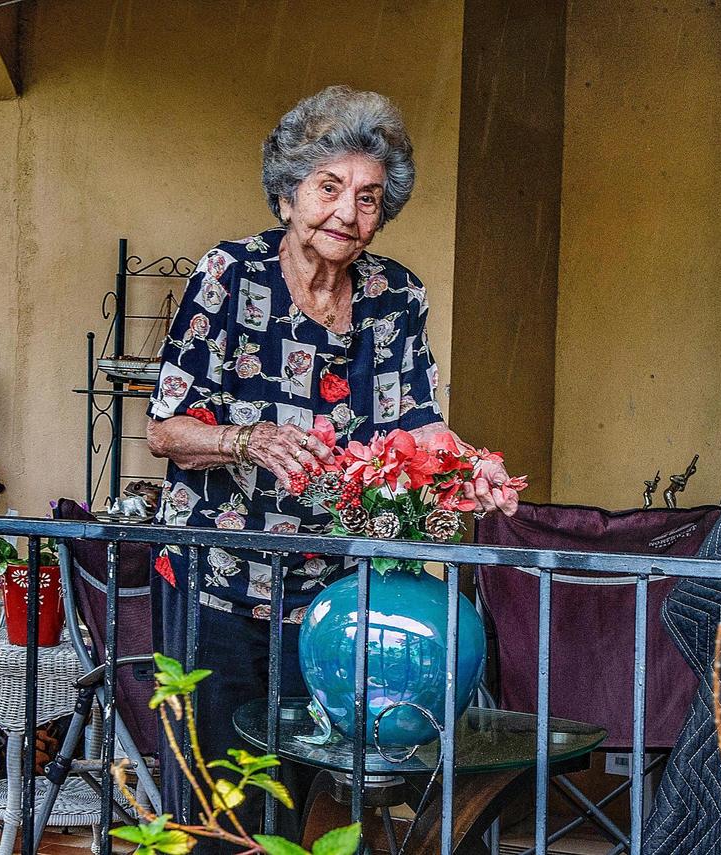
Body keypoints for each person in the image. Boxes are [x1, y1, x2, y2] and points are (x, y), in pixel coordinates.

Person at [145, 85, 520, 844]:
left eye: (369, 197)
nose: (348, 212)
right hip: (217, 586)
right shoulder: (230, 275)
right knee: (224, 798)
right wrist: (246, 441)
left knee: (324, 798)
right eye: (329, 187)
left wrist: (471, 467)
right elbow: (166, 428)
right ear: (288, 195)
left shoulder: (394, 297)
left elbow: (420, 422)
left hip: (333, 601)